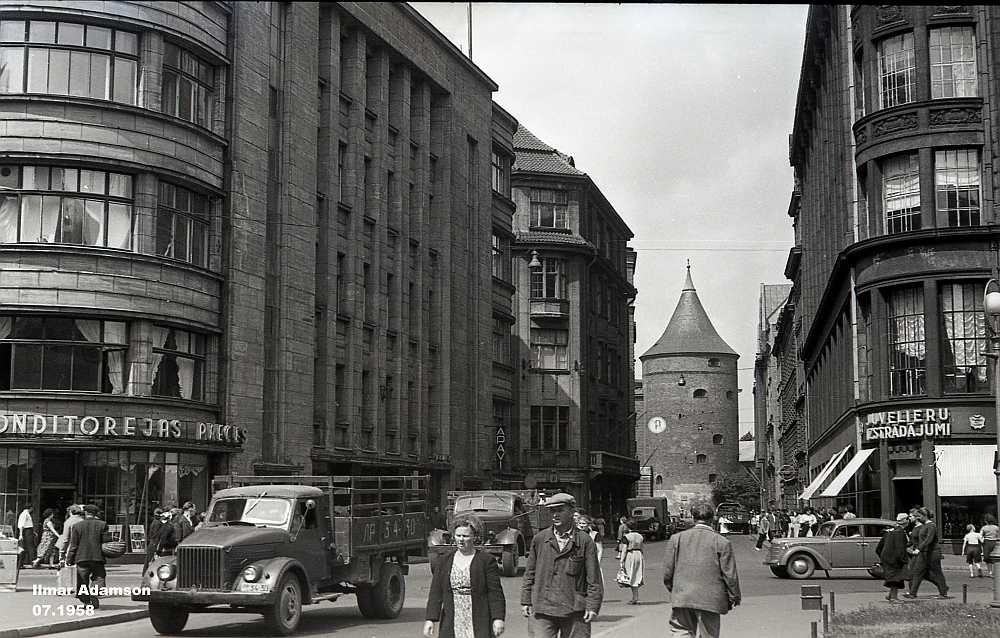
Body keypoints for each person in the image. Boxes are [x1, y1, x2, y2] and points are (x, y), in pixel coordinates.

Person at [521, 493, 603, 638]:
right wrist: (526, 599)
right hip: (543, 607)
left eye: (560, 510)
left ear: (572, 512)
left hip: (575, 608)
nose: (555, 515)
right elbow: (530, 573)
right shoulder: (540, 539)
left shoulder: (584, 541)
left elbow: (593, 578)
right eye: (552, 511)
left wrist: (593, 605)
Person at [663, 501, 741, 638]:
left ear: (693, 518)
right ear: (713, 519)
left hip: (683, 595)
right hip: (711, 598)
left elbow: (668, 571)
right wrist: (734, 596)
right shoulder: (722, 542)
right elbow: (730, 575)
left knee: (681, 631)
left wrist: (674, 588)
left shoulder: (677, 539)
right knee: (709, 635)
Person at [424, 514, 505, 638]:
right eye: (458, 536)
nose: (461, 540)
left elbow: (495, 592)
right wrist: (430, 619)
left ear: (474, 537)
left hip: (478, 617)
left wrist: (498, 618)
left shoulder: (486, 561)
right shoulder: (444, 561)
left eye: (465, 536)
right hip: (453, 617)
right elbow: (436, 592)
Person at [65, 504, 110, 609]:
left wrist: (69, 559)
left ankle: (86, 602)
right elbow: (107, 542)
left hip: (82, 558)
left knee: (82, 581)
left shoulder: (77, 526)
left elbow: (74, 544)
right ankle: (95, 592)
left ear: (85, 513)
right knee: (99, 577)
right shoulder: (102, 525)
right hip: (98, 557)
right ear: (96, 514)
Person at [905, 507, 950, 599]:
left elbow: (929, 539)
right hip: (924, 553)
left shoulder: (931, 526)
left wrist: (919, 548)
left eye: (919, 516)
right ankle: (912, 593)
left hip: (933, 553)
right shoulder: (924, 525)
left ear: (925, 516)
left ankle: (943, 592)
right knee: (918, 572)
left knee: (937, 572)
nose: (918, 518)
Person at [876, 513, 911, 603]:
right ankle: (894, 598)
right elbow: (900, 548)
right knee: (895, 578)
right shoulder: (900, 532)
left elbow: (879, 547)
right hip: (894, 559)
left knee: (894, 577)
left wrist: (882, 556)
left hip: (887, 557)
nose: (909, 520)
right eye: (907, 518)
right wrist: (903, 559)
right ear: (904, 521)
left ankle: (891, 595)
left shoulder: (890, 531)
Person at [619, 518, 644, 605]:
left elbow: (624, 550)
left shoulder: (626, 537)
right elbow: (642, 547)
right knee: (637, 574)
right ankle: (635, 597)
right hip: (639, 554)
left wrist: (622, 560)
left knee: (631, 574)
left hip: (631, 554)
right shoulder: (640, 536)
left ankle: (635, 598)